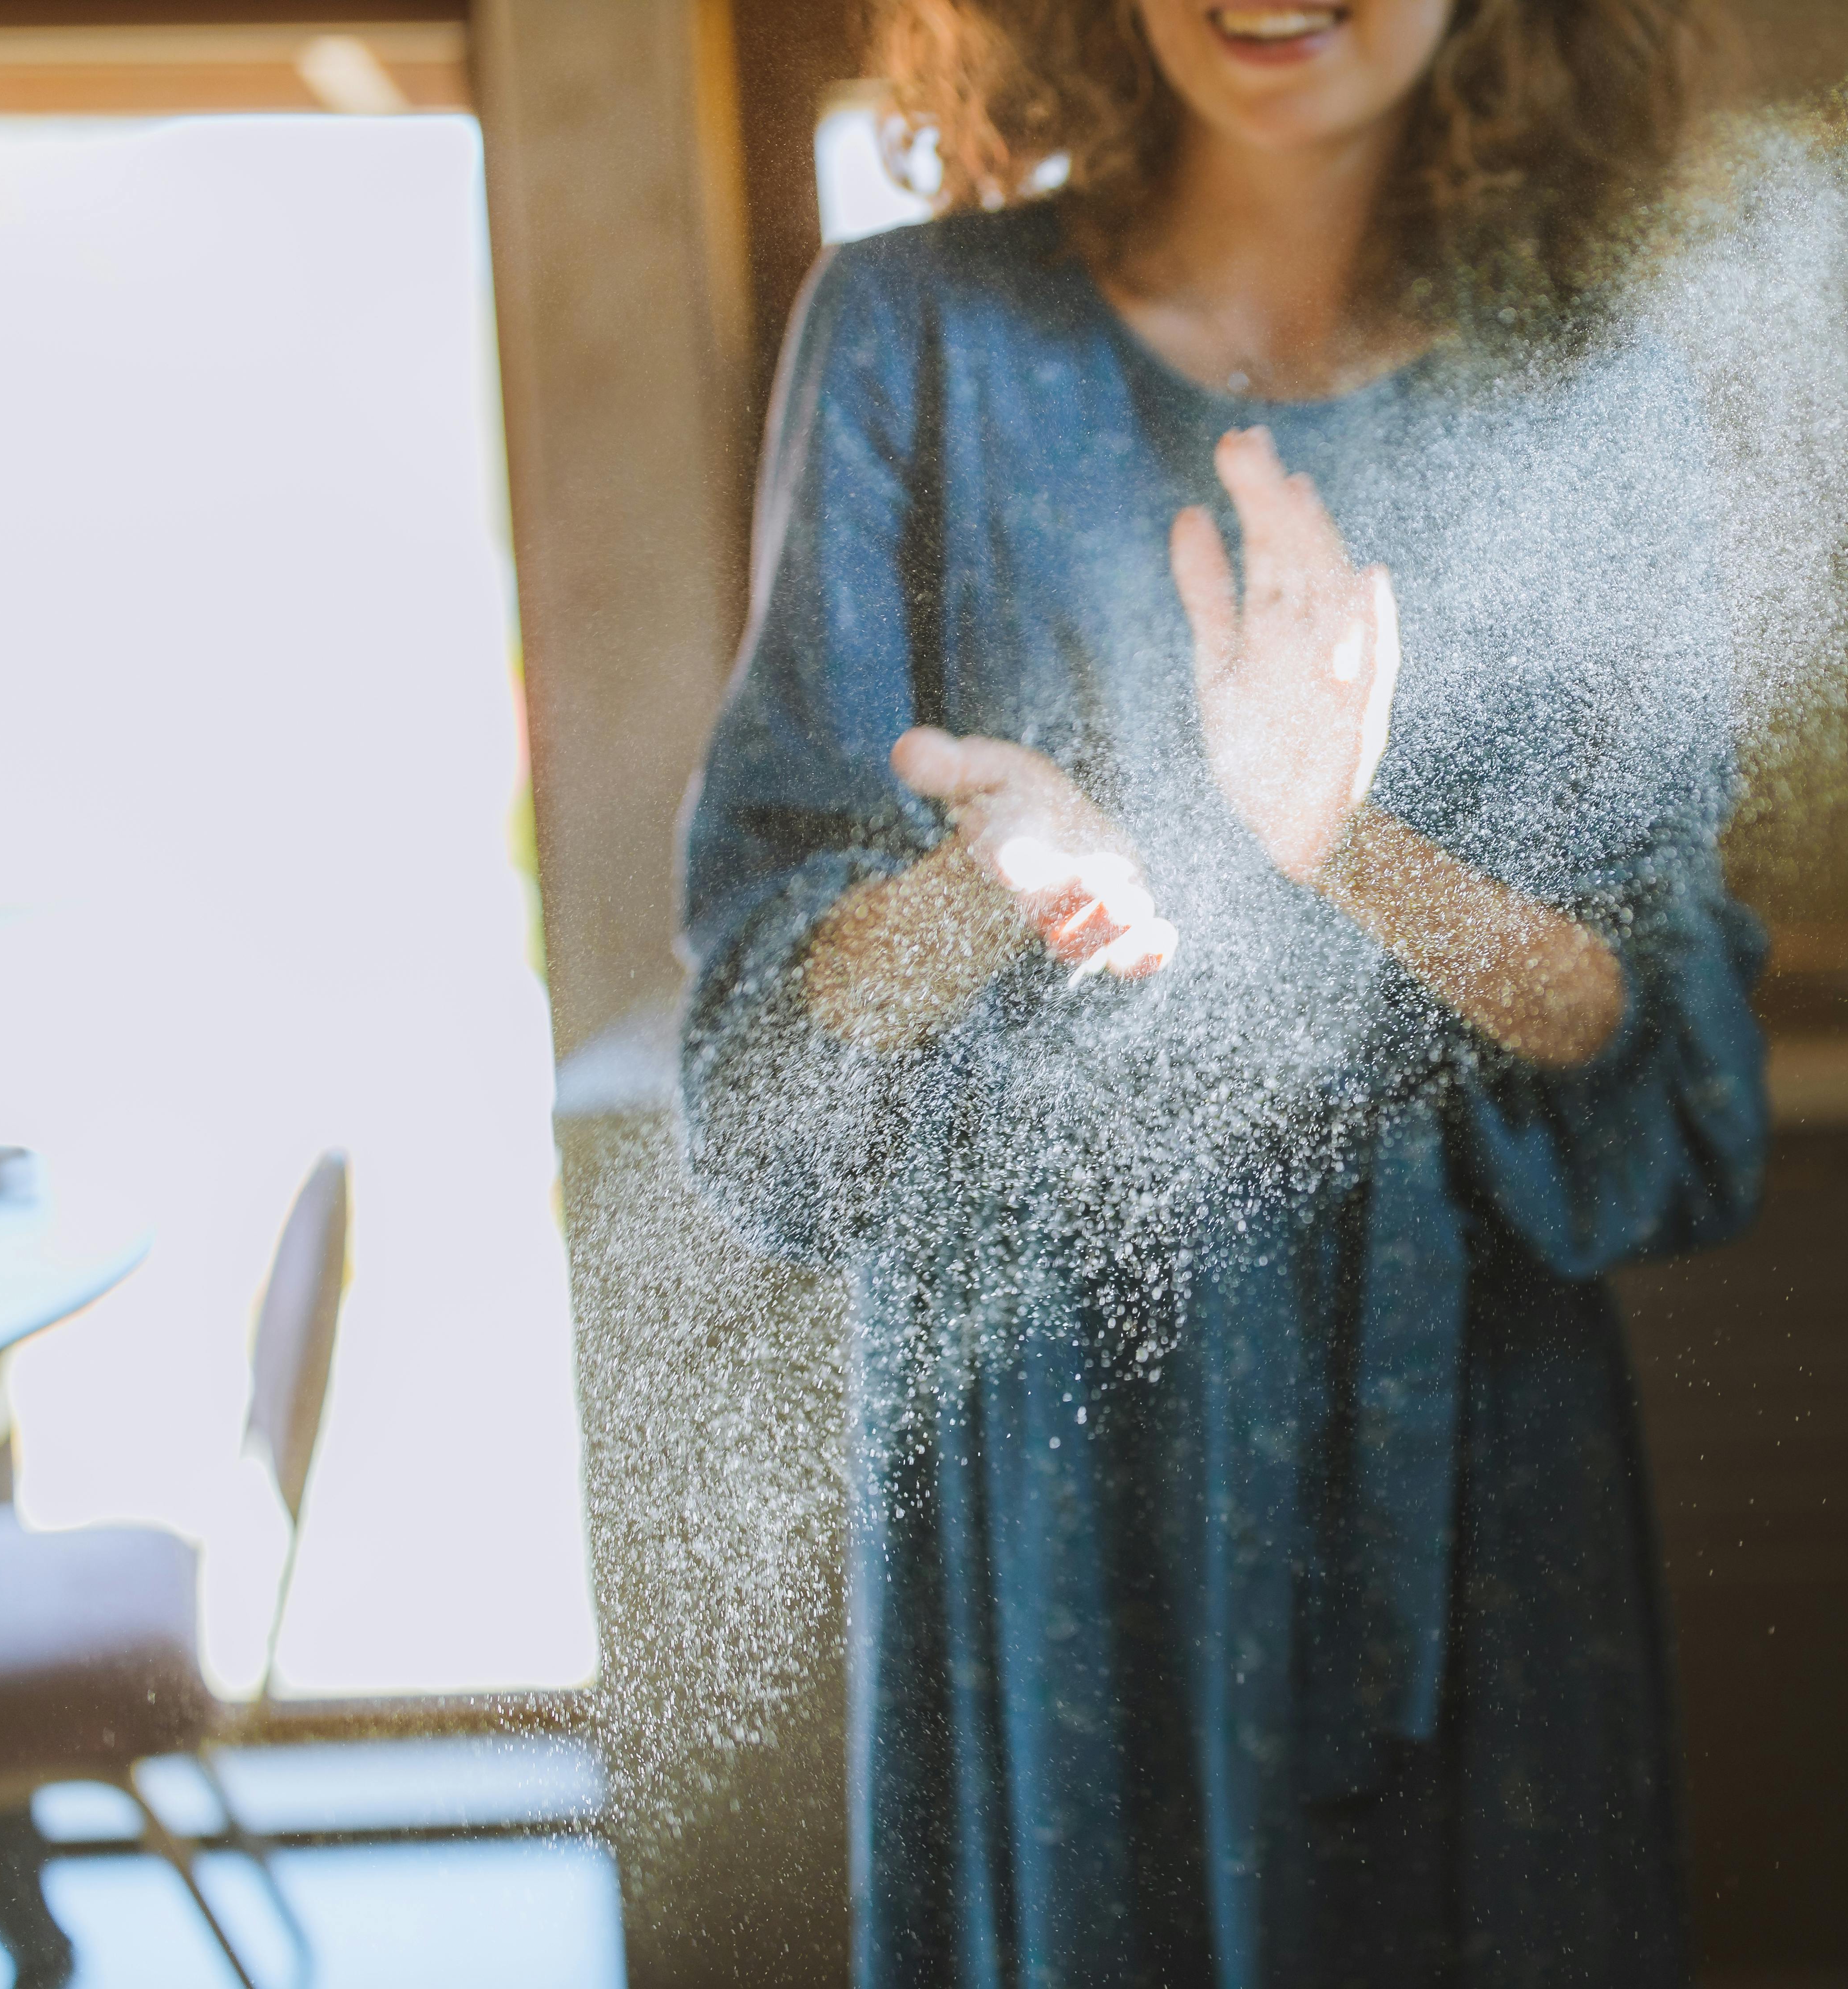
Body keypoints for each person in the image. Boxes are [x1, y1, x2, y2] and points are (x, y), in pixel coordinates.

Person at [677, 0, 1766, 1980]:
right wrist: (988, 886)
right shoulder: (914, 342)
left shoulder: (1589, 380)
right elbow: (766, 1067)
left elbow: (1665, 1060)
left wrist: (1340, 845)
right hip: (1052, 1481)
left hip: (1468, 1473)